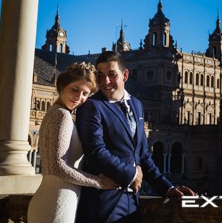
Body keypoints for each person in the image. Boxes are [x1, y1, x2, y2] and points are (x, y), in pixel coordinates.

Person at [77, 51, 196, 222]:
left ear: (125, 75)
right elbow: (96, 152)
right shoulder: (91, 106)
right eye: (100, 76)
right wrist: (132, 174)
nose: (105, 82)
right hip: (104, 203)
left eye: (112, 75)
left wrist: (166, 188)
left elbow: (143, 155)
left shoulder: (136, 105)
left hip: (133, 201)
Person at [27, 62, 117, 223]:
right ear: (62, 85)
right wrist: (99, 182)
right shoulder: (62, 116)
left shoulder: (54, 112)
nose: (79, 97)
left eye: (85, 93)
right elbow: (58, 167)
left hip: (51, 198)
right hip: (57, 203)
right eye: (75, 89)